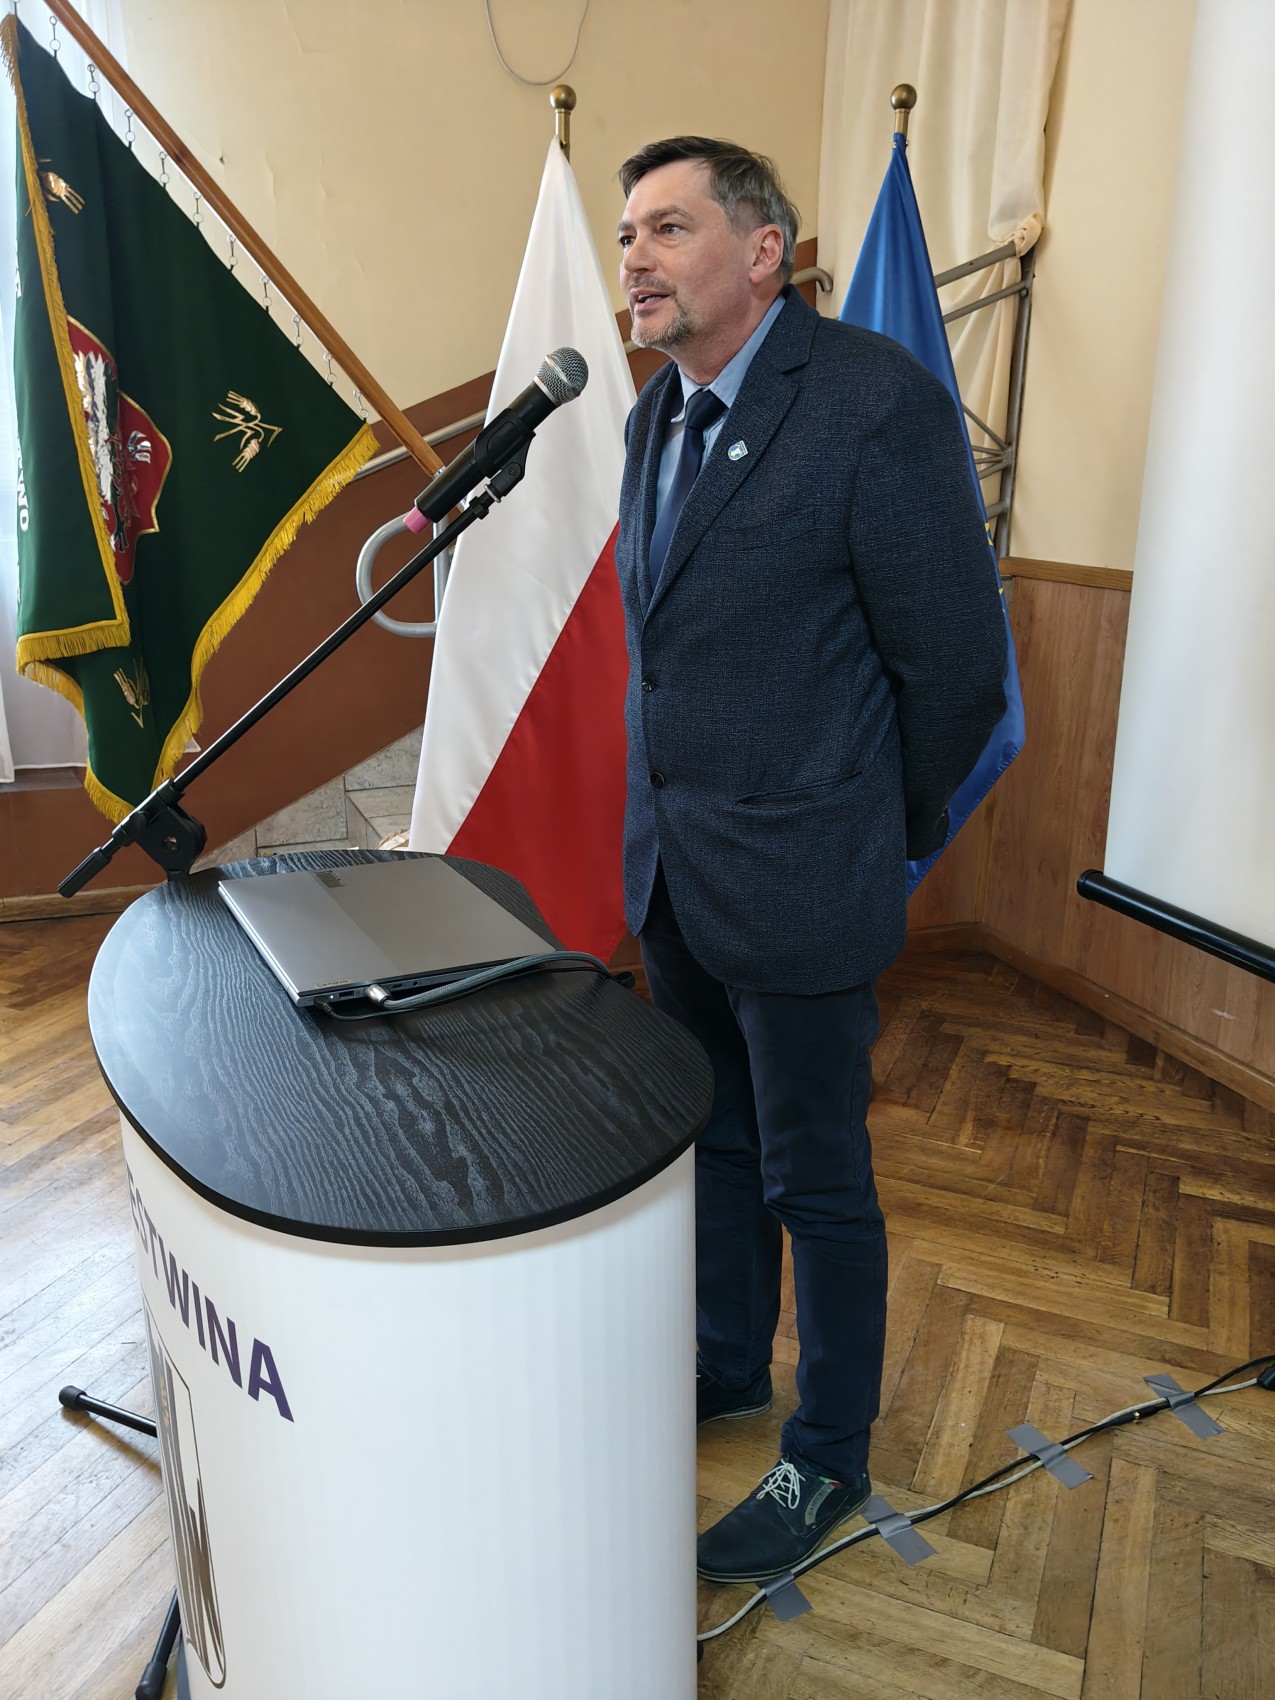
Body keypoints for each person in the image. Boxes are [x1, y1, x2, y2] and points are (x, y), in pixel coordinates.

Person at [613, 136, 1009, 1585]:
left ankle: (828, 1452)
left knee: (816, 1177)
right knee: (714, 1143)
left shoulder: (870, 402)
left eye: (668, 228)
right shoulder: (656, 414)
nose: (636, 259)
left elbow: (955, 674)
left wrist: (867, 831)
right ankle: (727, 1360)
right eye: (627, 235)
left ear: (764, 249)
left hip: (806, 876)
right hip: (678, 872)